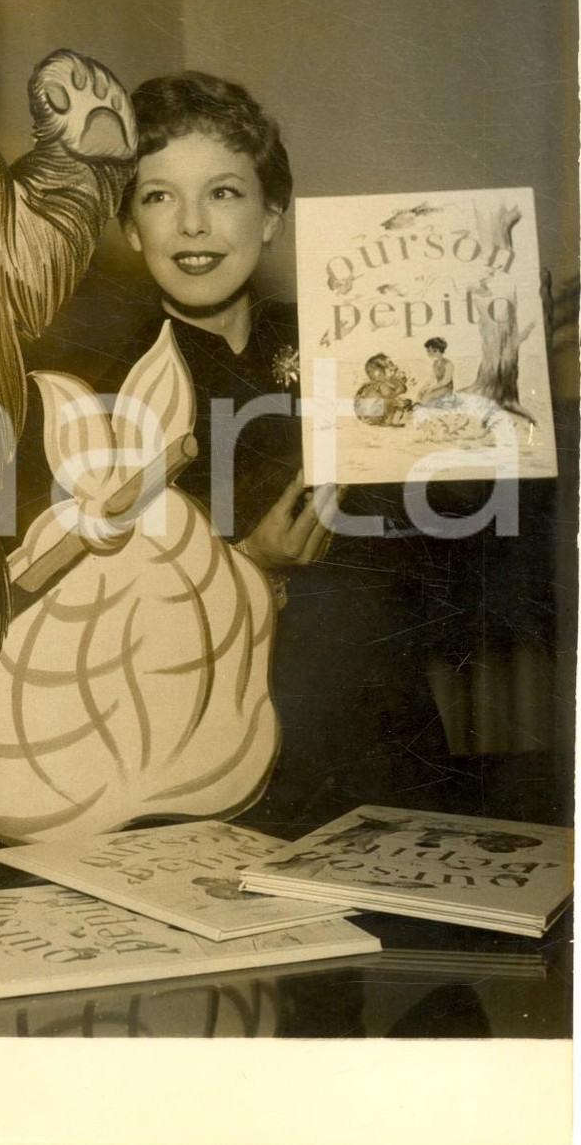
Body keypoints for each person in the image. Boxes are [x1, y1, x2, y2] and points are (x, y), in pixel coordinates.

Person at [104, 71, 456, 836]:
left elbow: (443, 535)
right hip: (215, 758)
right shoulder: (114, 385)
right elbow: (101, 615)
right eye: (160, 197)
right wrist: (249, 564)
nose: (193, 224)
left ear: (271, 218)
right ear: (131, 226)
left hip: (380, 726)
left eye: (224, 193)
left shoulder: (349, 334)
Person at [416, 337, 456, 406]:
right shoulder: (435, 363)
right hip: (438, 386)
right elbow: (432, 378)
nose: (430, 353)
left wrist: (432, 388)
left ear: (439, 350)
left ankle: (446, 401)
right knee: (420, 395)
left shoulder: (449, 364)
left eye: (433, 351)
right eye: (428, 351)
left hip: (446, 388)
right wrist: (424, 387)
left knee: (427, 398)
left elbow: (446, 381)